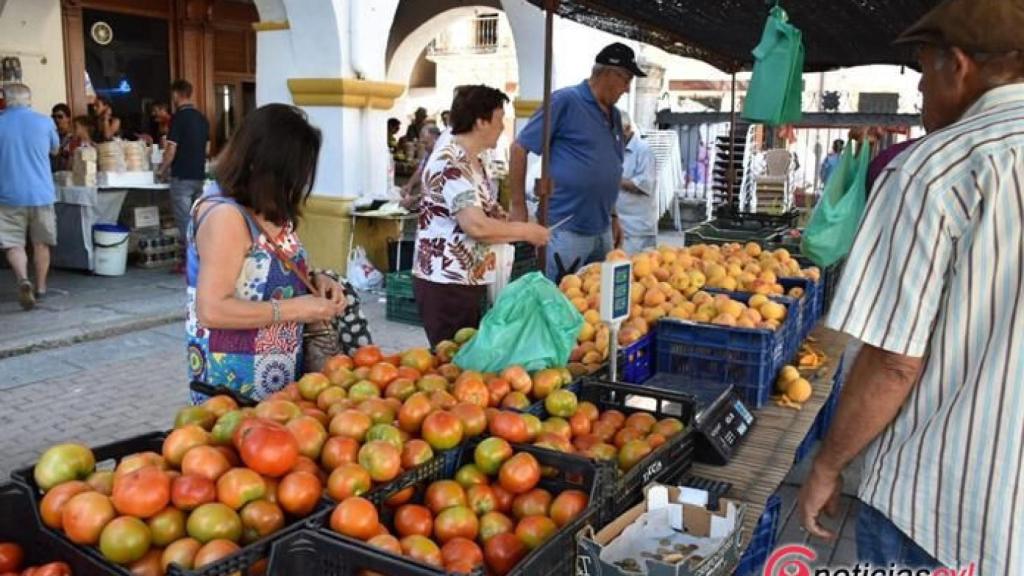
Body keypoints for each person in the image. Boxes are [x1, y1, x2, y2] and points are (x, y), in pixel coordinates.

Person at [797, 1, 1024, 573]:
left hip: (944, 509)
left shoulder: (936, 170)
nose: (921, 89)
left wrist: (828, 465)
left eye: (923, 68)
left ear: (960, 65)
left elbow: (895, 362)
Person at [187, 104, 347, 403]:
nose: (299, 183)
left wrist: (317, 280)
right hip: (237, 381)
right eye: (293, 173)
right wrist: (299, 309)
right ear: (265, 166)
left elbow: (269, 273)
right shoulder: (226, 217)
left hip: (279, 374)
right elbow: (212, 310)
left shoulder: (267, 207)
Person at [412, 85, 549, 347]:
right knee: (452, 362)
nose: (502, 127)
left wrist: (516, 222)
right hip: (447, 282)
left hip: (468, 277)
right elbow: (475, 225)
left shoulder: (474, 160)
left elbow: (487, 211)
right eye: (499, 119)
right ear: (480, 121)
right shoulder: (452, 163)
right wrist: (525, 232)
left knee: (468, 354)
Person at [509, 42, 645, 281]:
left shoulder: (613, 115)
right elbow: (519, 148)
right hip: (564, 228)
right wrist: (518, 206)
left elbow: (609, 168)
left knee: (593, 304)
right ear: (608, 73)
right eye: (626, 79)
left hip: (601, 229)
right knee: (559, 300)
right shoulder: (565, 101)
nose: (627, 88)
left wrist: (613, 216)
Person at [0, 84, 60, 310]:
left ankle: (23, 279)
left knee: (13, 244)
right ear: (29, 100)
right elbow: (55, 150)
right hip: (41, 193)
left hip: (7, 195)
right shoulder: (45, 122)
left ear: (5, 100)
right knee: (41, 244)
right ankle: (41, 288)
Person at [159, 79, 210, 273]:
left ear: (176, 95)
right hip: (198, 175)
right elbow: (207, 148)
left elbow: (171, 150)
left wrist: (162, 169)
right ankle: (202, 258)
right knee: (198, 221)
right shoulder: (202, 118)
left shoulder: (178, 118)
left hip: (181, 176)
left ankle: (190, 263)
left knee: (184, 223)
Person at [615, 111, 657, 254]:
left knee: (637, 269)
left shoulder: (644, 151)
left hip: (637, 228)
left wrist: (613, 180)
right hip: (617, 224)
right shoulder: (615, 150)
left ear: (627, 129)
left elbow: (644, 184)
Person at [400, 123, 442, 211]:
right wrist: (409, 185)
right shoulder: (429, 151)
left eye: (426, 143)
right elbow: (420, 170)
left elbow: (436, 188)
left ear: (436, 139)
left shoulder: (442, 156)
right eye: (422, 142)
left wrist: (414, 199)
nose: (423, 146)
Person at [50, 104, 72, 171]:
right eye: (54, 117)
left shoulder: (74, 136)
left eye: (60, 117)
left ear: (68, 118)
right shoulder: (51, 135)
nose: (56, 120)